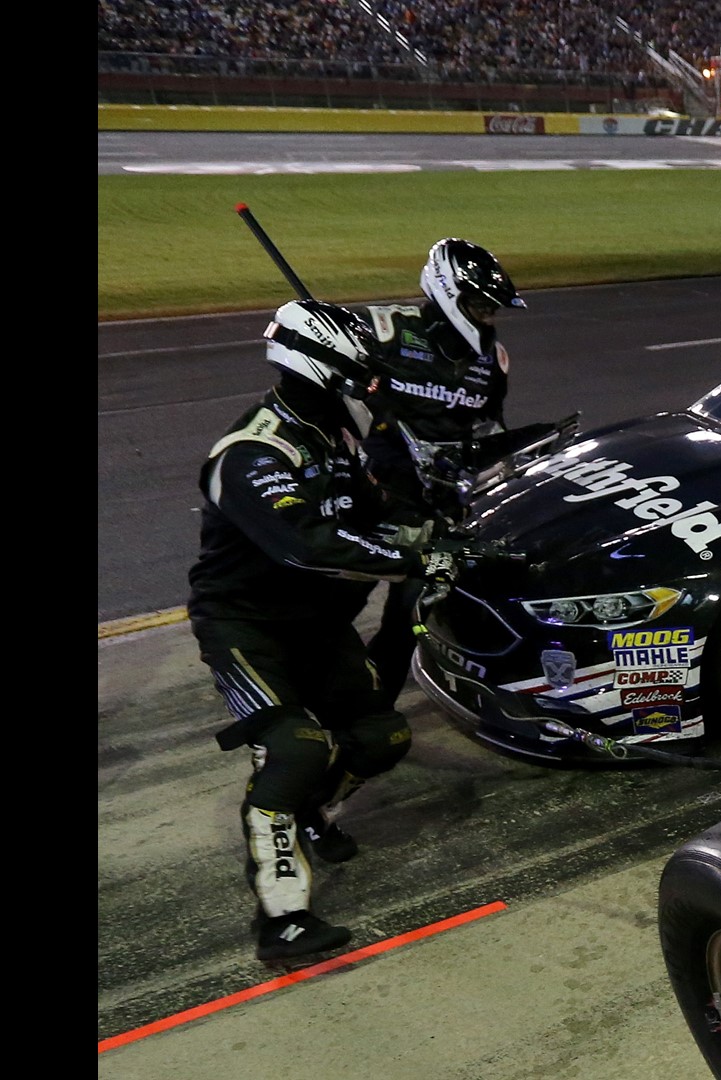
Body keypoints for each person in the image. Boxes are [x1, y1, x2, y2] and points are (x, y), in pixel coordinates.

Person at [187, 299, 468, 963]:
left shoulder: (334, 435)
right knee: (298, 748)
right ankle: (281, 920)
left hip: (317, 623)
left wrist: (432, 529)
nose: (376, 390)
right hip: (245, 627)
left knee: (383, 735)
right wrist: (409, 555)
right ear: (321, 372)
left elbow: (375, 509)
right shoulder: (252, 451)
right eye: (366, 379)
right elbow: (307, 544)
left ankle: (310, 814)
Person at [358, 237, 526, 710]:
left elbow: (484, 431)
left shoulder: (493, 360)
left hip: (440, 512)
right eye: (479, 306)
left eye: (492, 309)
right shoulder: (384, 328)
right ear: (448, 292)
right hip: (375, 498)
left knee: (409, 613)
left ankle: (371, 711)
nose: (487, 318)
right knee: (335, 600)